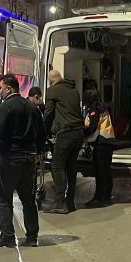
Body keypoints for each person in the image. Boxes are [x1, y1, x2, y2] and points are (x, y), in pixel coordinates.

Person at [0, 75, 45, 248]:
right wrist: (39, 152)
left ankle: (7, 236)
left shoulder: (5, 108)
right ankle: (32, 236)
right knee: (28, 199)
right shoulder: (32, 107)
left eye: (0, 88)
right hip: (28, 159)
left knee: (4, 198)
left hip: (9, 158)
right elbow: (41, 133)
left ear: (9, 89)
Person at [42, 69, 84, 214]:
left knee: (57, 166)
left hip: (66, 132)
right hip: (79, 133)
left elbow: (48, 113)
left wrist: (43, 131)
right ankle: (70, 202)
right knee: (71, 167)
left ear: (51, 81)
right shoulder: (74, 91)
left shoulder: (53, 91)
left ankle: (59, 202)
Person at [82, 90, 115, 208]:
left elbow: (92, 127)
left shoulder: (94, 110)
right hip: (105, 143)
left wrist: (81, 133)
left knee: (102, 171)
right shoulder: (100, 108)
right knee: (103, 170)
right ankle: (102, 195)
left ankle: (104, 197)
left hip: (102, 143)